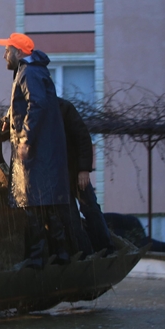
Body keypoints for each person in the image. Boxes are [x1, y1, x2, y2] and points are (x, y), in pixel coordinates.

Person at [0, 33, 72, 268]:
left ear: (17, 52)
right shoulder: (33, 71)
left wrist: (25, 139)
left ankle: (35, 260)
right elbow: (25, 104)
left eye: (7, 50)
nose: (4, 54)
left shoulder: (29, 73)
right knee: (44, 205)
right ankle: (61, 256)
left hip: (35, 153)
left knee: (31, 204)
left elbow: (37, 104)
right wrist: (8, 119)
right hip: (44, 152)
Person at [57, 97, 115, 255]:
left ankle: (105, 249)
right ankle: (85, 254)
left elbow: (82, 137)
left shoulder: (64, 108)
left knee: (90, 209)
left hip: (74, 172)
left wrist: (83, 170)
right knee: (71, 219)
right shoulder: (35, 111)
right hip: (57, 178)